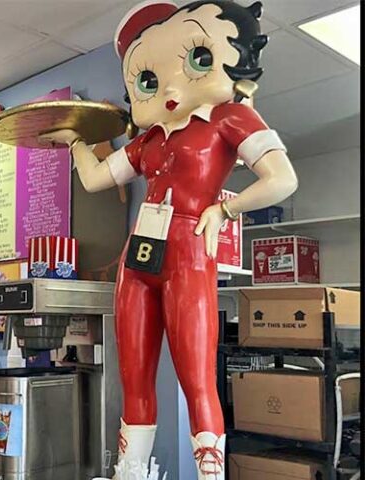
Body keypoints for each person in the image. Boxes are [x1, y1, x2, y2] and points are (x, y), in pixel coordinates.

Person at [38, 2, 298, 479]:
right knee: (133, 380)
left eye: (198, 57)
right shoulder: (148, 140)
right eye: (148, 81)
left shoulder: (230, 118)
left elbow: (282, 179)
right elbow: (96, 179)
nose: (171, 87)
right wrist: (75, 142)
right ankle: (130, 470)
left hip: (189, 256)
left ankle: (209, 473)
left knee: (197, 379)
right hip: (138, 261)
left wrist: (226, 207)